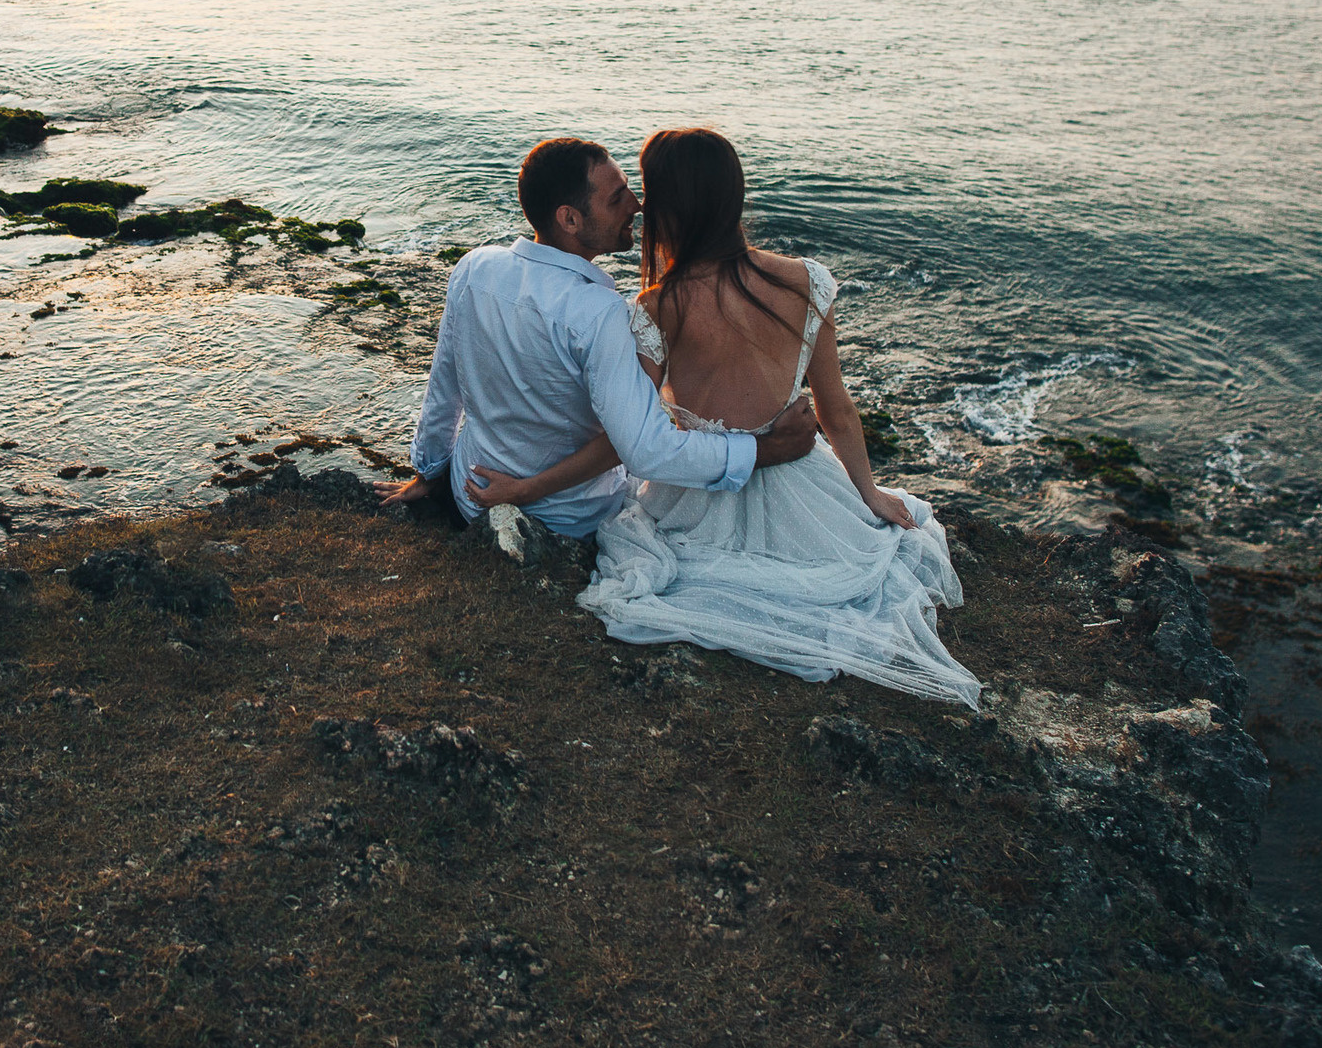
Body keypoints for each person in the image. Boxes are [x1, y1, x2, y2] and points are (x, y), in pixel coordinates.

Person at [466, 128, 979, 706]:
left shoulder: (656, 307)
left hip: (694, 500)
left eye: (647, 198)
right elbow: (836, 410)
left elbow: (624, 442)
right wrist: (869, 495)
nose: (637, 206)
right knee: (859, 570)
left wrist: (530, 487)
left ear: (670, 210)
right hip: (805, 486)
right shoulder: (806, 281)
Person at [383, 137, 821, 537]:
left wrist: (430, 470)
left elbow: (444, 383)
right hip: (569, 517)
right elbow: (648, 452)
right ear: (570, 219)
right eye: (617, 198)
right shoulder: (602, 313)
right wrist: (764, 449)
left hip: (470, 489)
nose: (637, 205)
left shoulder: (475, 268)